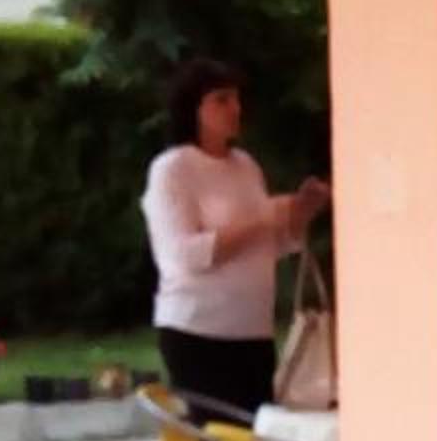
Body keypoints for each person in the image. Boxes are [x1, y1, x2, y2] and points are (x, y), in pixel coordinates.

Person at [141, 59, 329, 418]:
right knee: (217, 437)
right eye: (221, 100)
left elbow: (269, 245)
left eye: (237, 99)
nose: (235, 109)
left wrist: (300, 213)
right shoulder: (173, 169)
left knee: (258, 437)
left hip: (253, 331)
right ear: (193, 108)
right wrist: (264, 216)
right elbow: (184, 255)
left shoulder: (246, 165)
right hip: (199, 332)